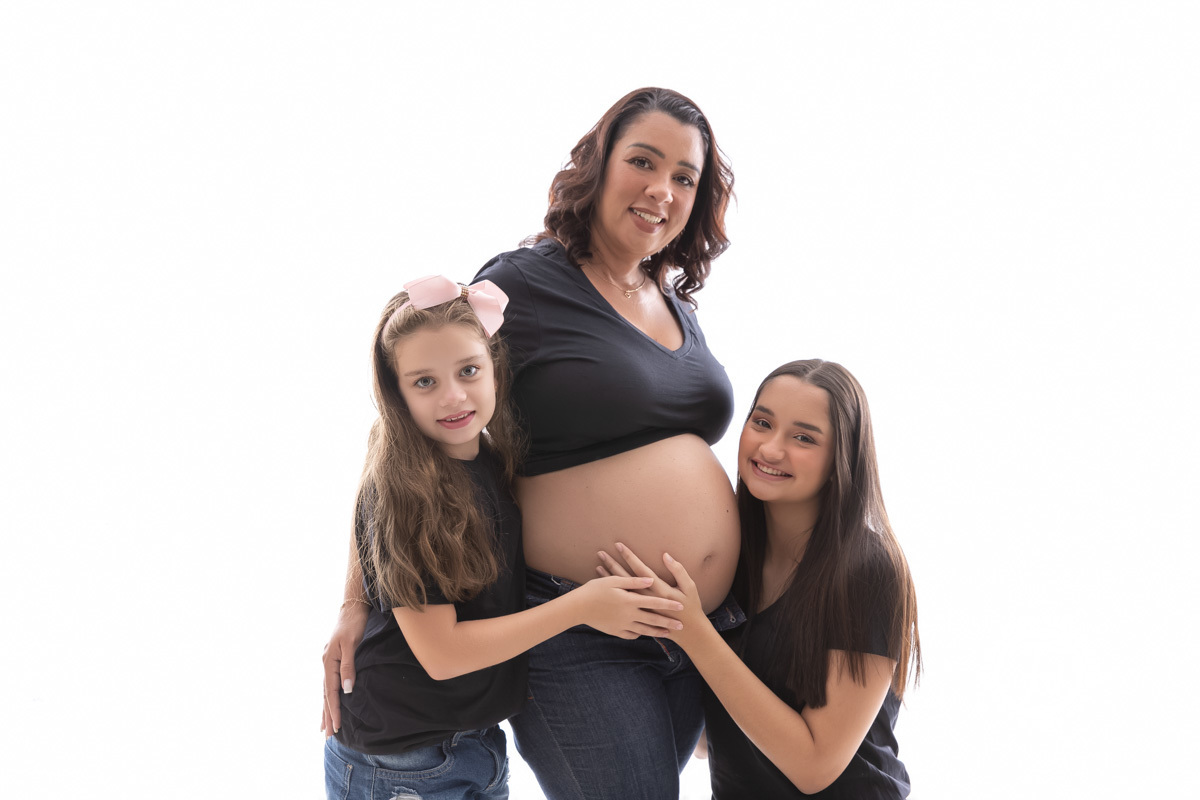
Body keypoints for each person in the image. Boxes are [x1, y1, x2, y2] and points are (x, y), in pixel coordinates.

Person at [323, 87, 741, 800]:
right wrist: (355, 600)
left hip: (689, 627)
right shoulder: (525, 282)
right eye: (643, 161)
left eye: (684, 176)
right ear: (599, 166)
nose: (661, 189)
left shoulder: (676, 306)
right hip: (576, 626)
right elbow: (400, 431)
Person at [324, 275, 685, 800]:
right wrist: (582, 606)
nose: (453, 396)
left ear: (495, 367)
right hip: (403, 761)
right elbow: (442, 653)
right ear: (395, 393)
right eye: (424, 382)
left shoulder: (489, 460)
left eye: (468, 371)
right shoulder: (410, 493)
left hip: (474, 742)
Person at [601, 359, 923, 798]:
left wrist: (692, 631)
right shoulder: (729, 551)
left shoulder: (868, 571)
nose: (770, 449)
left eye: (804, 438)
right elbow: (708, 741)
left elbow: (814, 767)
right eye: (762, 423)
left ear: (840, 459)